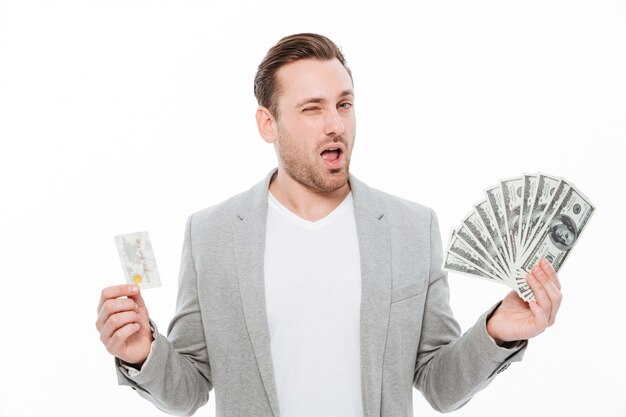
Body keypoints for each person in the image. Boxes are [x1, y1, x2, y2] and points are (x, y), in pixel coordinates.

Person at [96, 33, 563, 417]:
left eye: (344, 104)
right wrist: (142, 351)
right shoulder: (211, 234)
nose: (335, 125)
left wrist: (500, 329)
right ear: (267, 124)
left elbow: (439, 384)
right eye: (312, 108)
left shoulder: (409, 228)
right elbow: (189, 389)